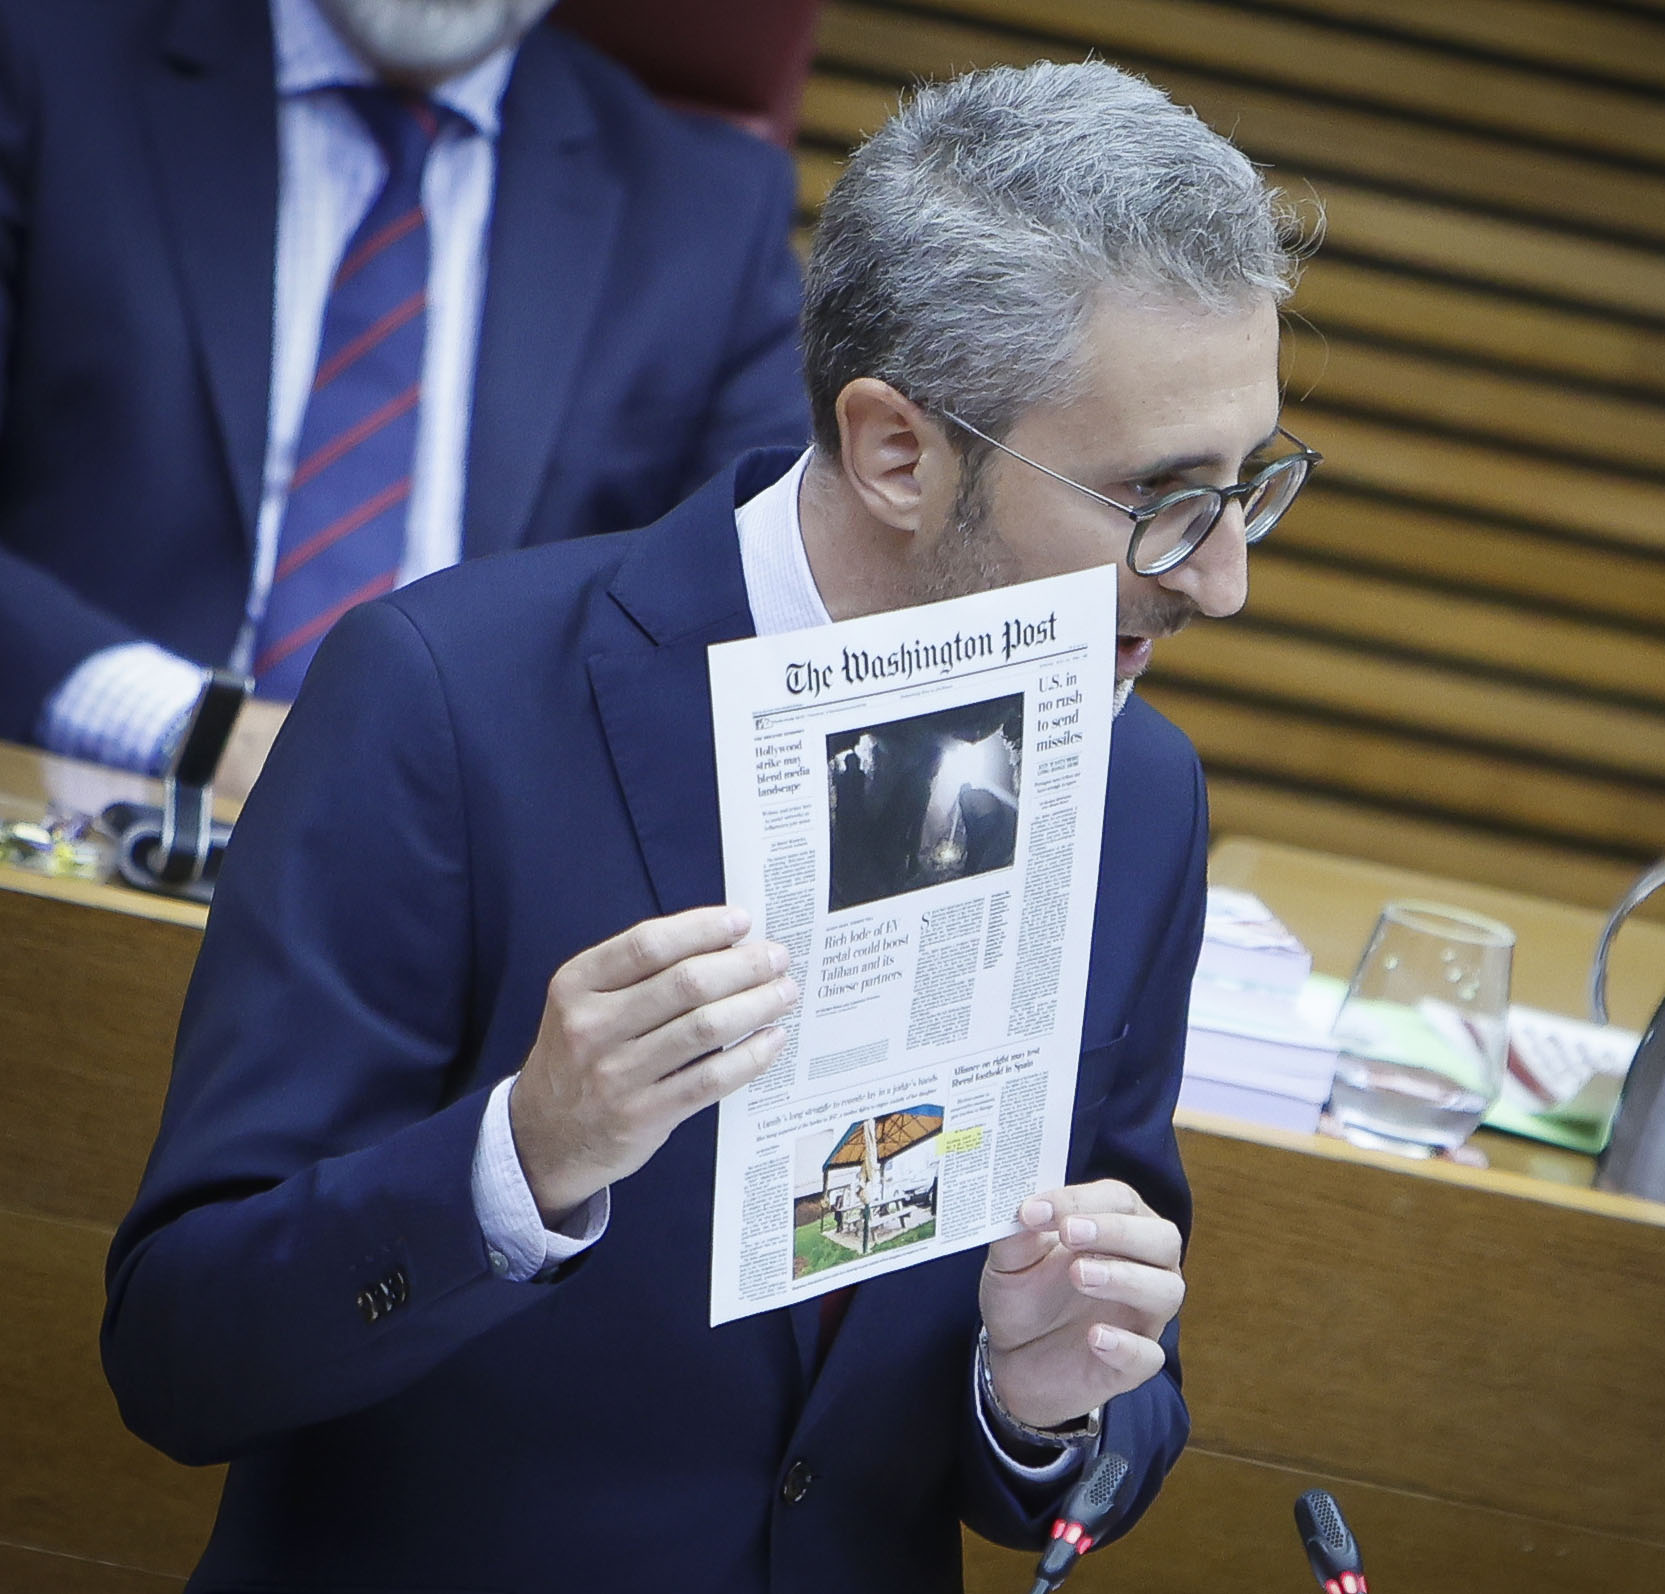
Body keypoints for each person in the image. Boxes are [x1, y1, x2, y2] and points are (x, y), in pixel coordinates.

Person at [102, 59, 1318, 1594]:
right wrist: (519, 1162)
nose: (1224, 582)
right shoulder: (444, 698)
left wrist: (1036, 1400)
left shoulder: (1141, 792)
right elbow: (176, 1353)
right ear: (895, 450)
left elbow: (1109, 1395)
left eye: (1251, 484)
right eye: (1161, 497)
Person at [0, 0, 808, 796]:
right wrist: (190, 727)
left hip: (461, 875)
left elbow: (753, 627)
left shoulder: (709, 213)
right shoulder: (41, 62)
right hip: (65, 801)